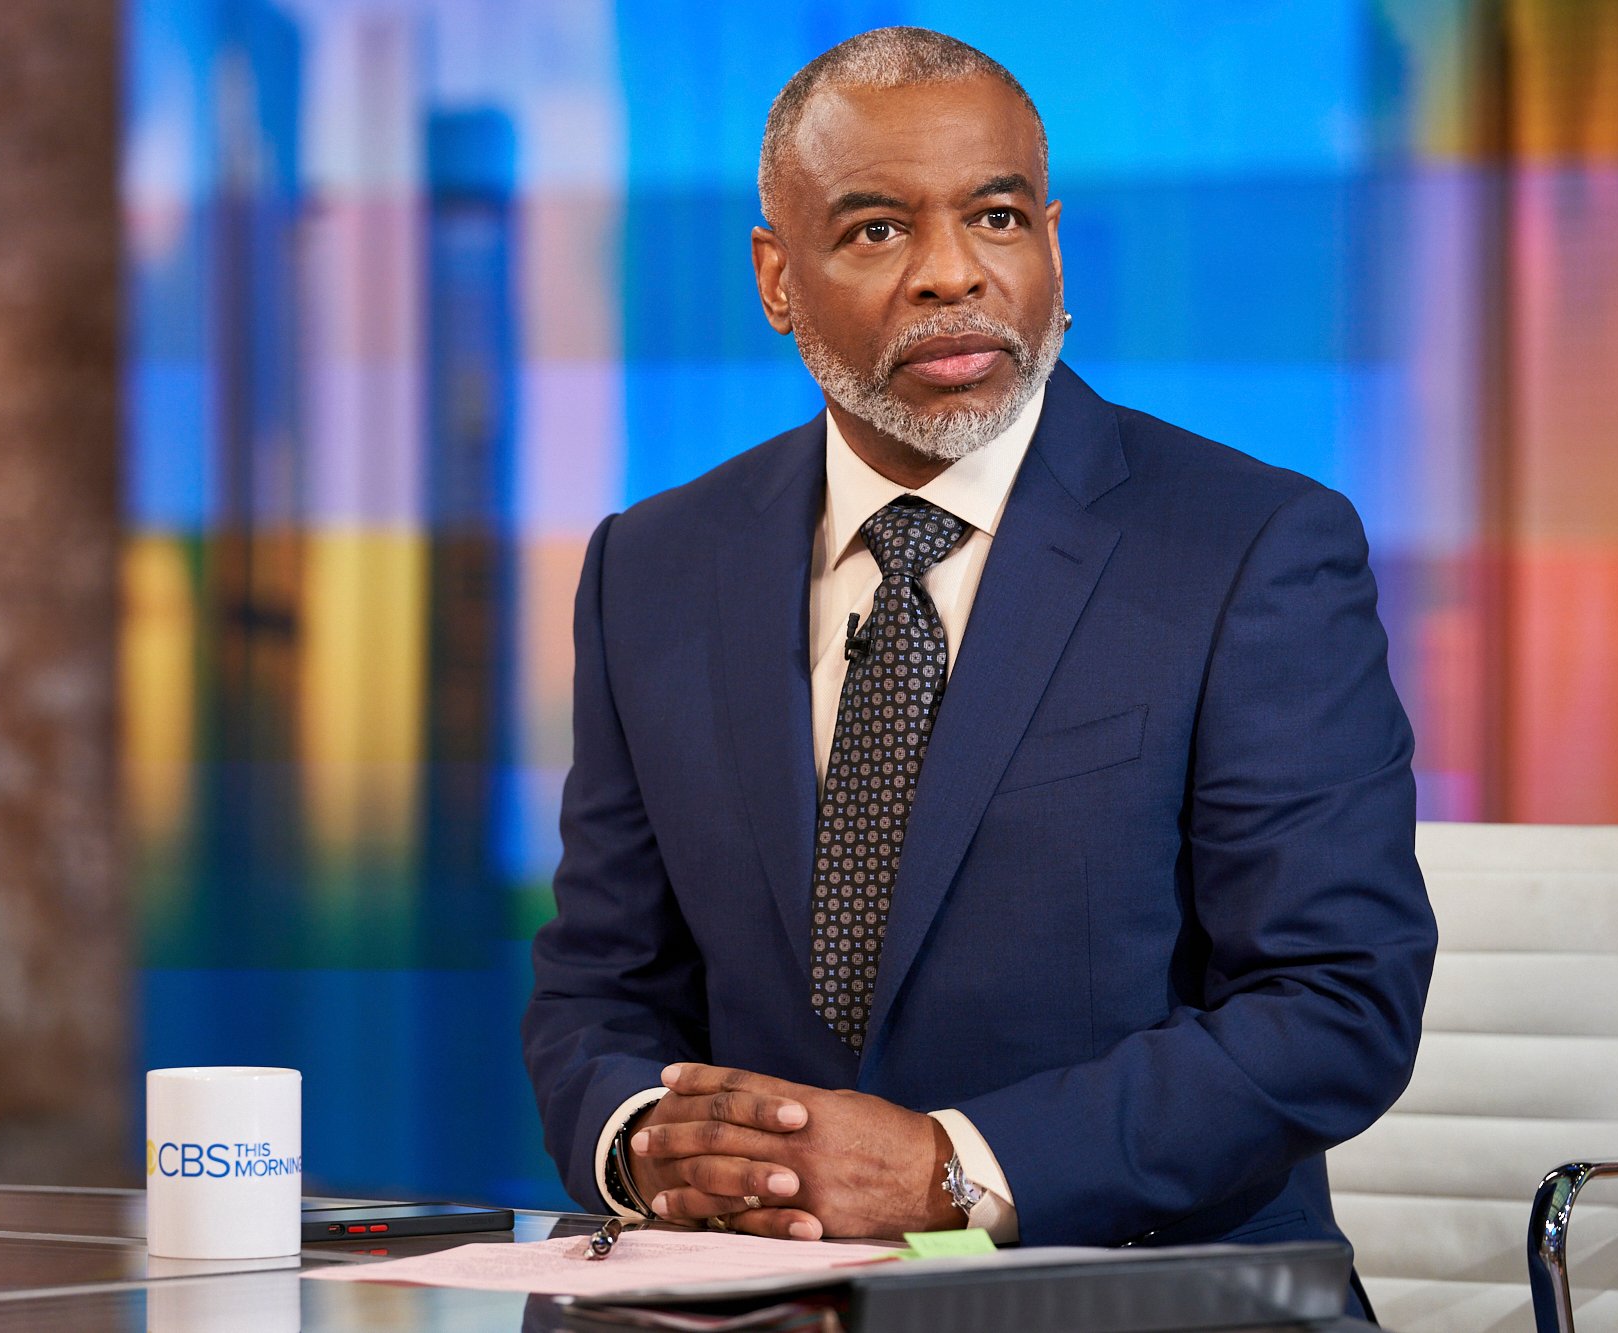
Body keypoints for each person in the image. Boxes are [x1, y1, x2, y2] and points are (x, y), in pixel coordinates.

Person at [521, 25, 1434, 1311]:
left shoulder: (1246, 549)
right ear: (776, 279)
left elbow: (1335, 1004)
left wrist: (950, 1169)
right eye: (876, 230)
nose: (951, 275)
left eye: (995, 217)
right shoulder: (652, 565)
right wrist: (646, 1145)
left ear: (1051, 249)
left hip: (1147, 1291)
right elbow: (600, 983)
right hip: (764, 1299)